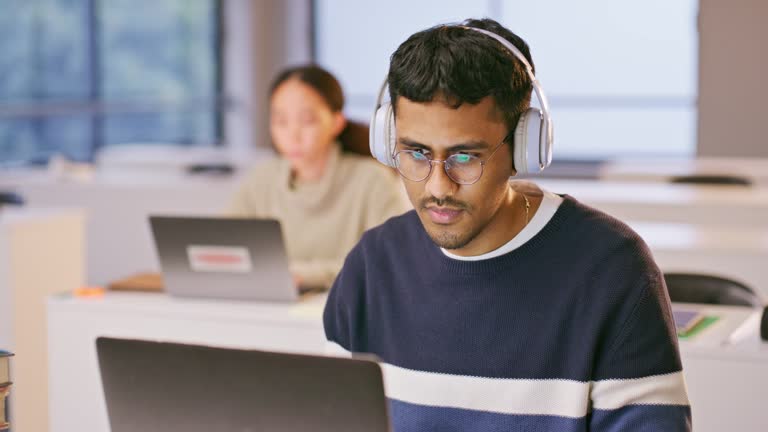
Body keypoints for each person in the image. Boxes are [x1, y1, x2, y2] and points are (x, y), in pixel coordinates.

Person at [323, 19, 691, 431]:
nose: (438, 185)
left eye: (465, 157)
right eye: (416, 152)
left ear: (524, 148)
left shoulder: (612, 270)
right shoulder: (374, 263)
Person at [228, 65, 408, 289]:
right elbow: (225, 249)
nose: (292, 135)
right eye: (281, 121)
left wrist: (305, 276)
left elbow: (388, 262)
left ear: (336, 122)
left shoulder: (372, 180)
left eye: (307, 120)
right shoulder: (262, 179)